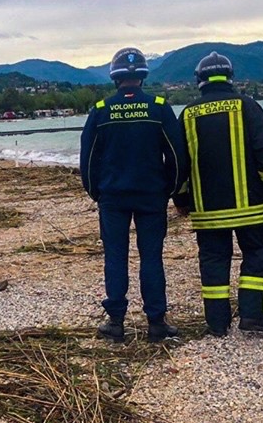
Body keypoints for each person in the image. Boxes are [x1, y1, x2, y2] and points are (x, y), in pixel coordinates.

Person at [80, 47, 188, 343]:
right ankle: (156, 323)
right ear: (142, 75)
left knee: (115, 257)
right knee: (151, 258)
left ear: (115, 77)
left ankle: (116, 323)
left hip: (113, 198)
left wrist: (96, 193)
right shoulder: (159, 107)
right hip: (151, 196)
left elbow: (87, 159)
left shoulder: (101, 110)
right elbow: (178, 156)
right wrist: (170, 188)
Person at [174, 52, 263, 337]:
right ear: (230, 77)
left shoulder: (188, 114)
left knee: (213, 261)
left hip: (207, 211)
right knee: (256, 255)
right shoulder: (247, 106)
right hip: (250, 207)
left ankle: (217, 323)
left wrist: (182, 199)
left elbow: (179, 164)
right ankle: (253, 315)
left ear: (200, 80)